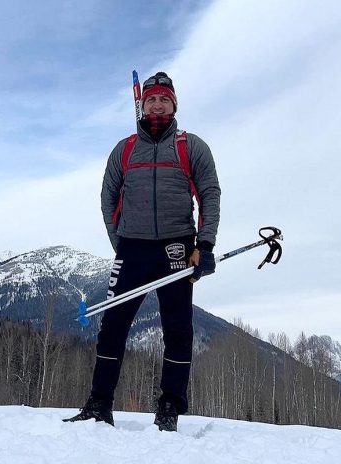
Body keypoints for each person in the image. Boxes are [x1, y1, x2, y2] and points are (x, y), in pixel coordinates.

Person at [64, 72, 221, 432]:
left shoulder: (190, 146)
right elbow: (108, 198)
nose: (157, 104)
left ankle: (169, 408)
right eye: (151, 99)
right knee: (112, 326)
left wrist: (205, 245)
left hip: (177, 246)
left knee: (179, 330)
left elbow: (209, 194)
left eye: (164, 99)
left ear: (174, 105)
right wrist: (120, 243)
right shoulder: (124, 150)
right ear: (142, 104)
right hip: (132, 247)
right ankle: (99, 404)